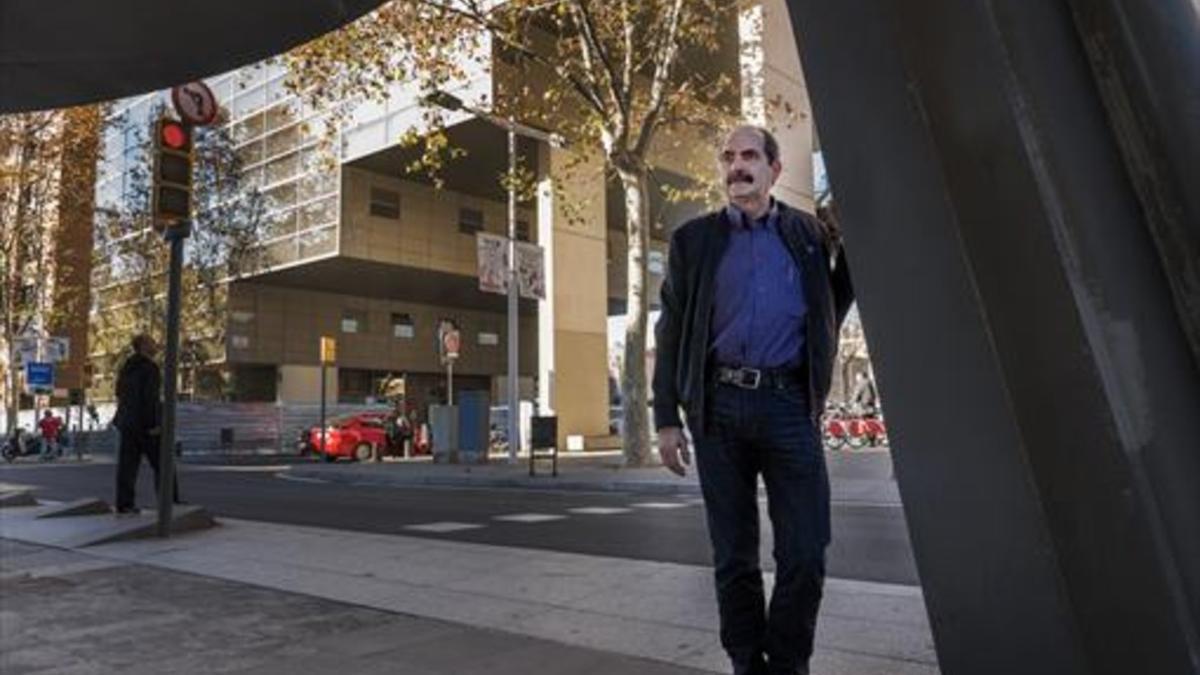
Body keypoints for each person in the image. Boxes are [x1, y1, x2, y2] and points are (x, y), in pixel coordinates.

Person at [653, 125, 854, 675]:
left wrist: (851, 252)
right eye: (728, 157)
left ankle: (787, 665)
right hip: (718, 410)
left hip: (790, 406)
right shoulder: (694, 241)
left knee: (806, 553)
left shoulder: (808, 234)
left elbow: (828, 311)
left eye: (748, 156)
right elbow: (670, 331)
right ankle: (747, 663)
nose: (736, 166)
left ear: (774, 170)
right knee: (734, 559)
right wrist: (666, 417)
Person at [112, 334, 179, 514]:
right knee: (164, 463)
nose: (156, 345)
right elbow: (150, 398)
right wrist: (154, 424)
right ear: (142, 346)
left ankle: (124, 504)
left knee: (127, 466)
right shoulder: (150, 368)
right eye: (152, 343)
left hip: (127, 422)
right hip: (145, 424)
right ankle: (170, 501)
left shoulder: (126, 366)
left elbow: (118, 392)